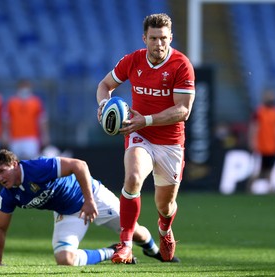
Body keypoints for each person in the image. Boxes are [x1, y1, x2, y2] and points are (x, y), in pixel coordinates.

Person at [96, 13, 196, 263]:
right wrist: (103, 106)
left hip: (171, 142)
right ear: (145, 38)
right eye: (153, 38)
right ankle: (126, 245)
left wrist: (147, 119)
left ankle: (165, 229)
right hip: (139, 134)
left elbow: (184, 110)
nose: (159, 44)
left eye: (163, 38)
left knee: (166, 205)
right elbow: (104, 86)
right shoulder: (133, 60)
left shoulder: (181, 65)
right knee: (132, 178)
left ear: (170, 37)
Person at [0, 149, 179, 266]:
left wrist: (89, 200)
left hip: (93, 196)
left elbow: (79, 165)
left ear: (14, 164)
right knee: (64, 259)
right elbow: (0, 228)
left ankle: (157, 252)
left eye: (2, 171)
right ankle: (113, 252)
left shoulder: (36, 167)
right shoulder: (8, 195)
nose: (0, 178)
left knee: (137, 233)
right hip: (68, 212)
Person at [248, 88, 275, 194]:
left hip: (272, 146)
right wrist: (253, 141)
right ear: (264, 98)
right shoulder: (259, 111)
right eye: (270, 97)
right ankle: (251, 187)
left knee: (269, 169)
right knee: (260, 170)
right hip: (261, 145)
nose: (272, 99)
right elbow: (254, 127)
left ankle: (270, 189)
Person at [3, 79, 50, 160]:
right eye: (22, 87)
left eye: (26, 87)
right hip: (15, 137)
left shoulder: (36, 102)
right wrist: (5, 134)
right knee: (15, 162)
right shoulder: (11, 102)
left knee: (31, 161)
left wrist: (45, 135)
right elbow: (6, 120)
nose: (24, 89)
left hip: (31, 138)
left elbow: (42, 120)